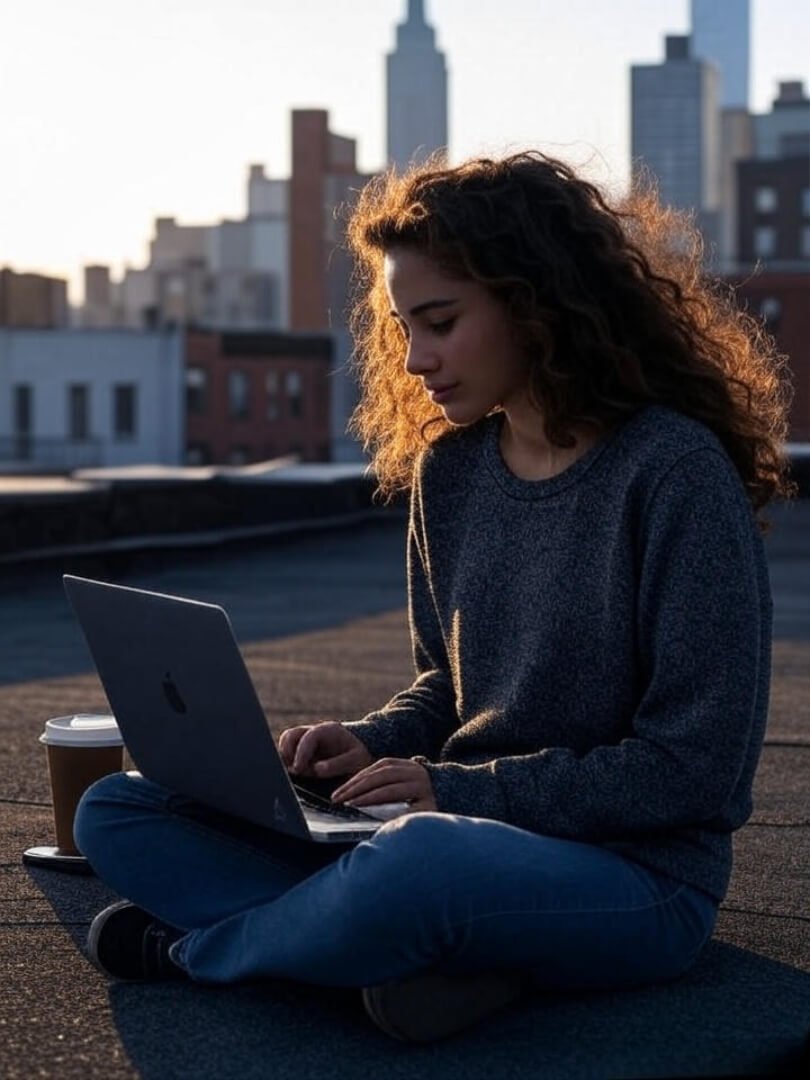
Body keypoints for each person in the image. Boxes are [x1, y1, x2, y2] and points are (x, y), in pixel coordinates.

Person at [74, 151, 794, 1044]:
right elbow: (444, 693)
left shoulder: (674, 473)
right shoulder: (450, 473)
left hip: (635, 878)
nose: (414, 359)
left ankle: (204, 951)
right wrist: (364, 746)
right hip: (441, 831)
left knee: (421, 863)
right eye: (402, 327)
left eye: (441, 322)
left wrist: (454, 792)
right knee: (123, 809)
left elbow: (693, 771)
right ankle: (414, 955)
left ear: (535, 301)